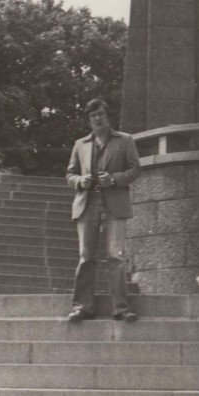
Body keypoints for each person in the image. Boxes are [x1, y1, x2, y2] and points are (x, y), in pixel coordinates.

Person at [66, 98, 141, 322]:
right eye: (92, 116)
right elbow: (69, 174)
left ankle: (121, 308)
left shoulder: (125, 140)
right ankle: (82, 307)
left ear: (108, 117)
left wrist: (115, 179)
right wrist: (80, 181)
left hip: (114, 205)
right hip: (87, 204)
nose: (97, 119)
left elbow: (136, 169)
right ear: (89, 120)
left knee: (115, 257)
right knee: (86, 256)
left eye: (100, 114)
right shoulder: (80, 144)